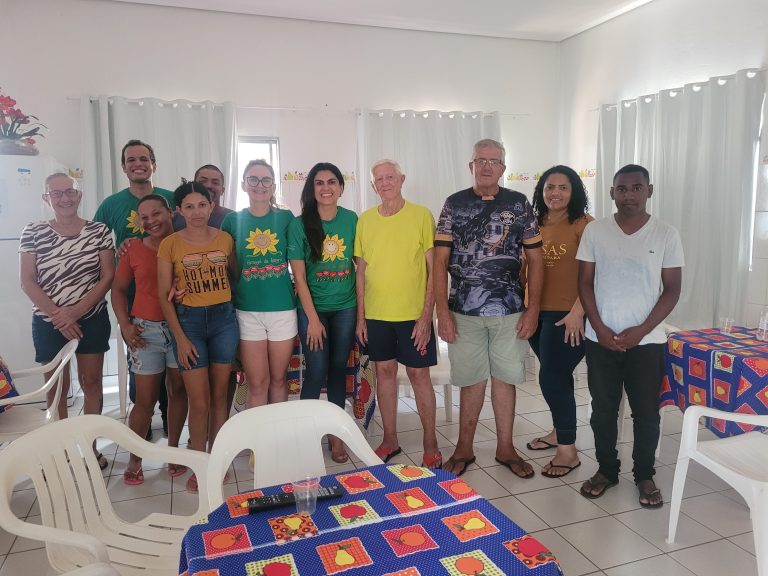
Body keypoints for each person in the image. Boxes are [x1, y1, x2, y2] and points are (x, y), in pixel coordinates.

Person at [577, 163, 683, 509]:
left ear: (649, 191)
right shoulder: (596, 232)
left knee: (646, 413)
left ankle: (644, 474)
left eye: (637, 188)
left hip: (647, 343)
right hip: (600, 340)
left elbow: (672, 290)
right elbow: (584, 283)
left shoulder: (666, 234)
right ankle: (606, 470)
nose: (629, 195)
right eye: (622, 189)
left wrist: (641, 330)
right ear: (612, 193)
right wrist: (599, 327)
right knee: (602, 411)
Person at [435, 139, 543, 478]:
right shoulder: (454, 204)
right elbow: (439, 262)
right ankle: (463, 448)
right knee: (470, 381)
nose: (486, 166)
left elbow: (537, 260)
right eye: (480, 160)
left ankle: (505, 448)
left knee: (505, 380)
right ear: (471, 166)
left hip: (510, 310)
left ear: (503, 168)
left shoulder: (519, 203)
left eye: (493, 161)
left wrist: (533, 309)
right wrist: (442, 312)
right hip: (463, 312)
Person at [19, 173, 115, 469]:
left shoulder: (99, 230)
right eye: (56, 193)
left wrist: (75, 311)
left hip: (92, 318)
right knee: (56, 386)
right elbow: (27, 280)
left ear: (79, 195)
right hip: (47, 321)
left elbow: (107, 276)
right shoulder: (32, 231)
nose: (64, 198)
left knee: (91, 383)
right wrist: (59, 316)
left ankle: (90, 448)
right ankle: (59, 450)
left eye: (70, 192)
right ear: (46, 198)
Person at [354, 159, 442, 468]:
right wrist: (361, 317)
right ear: (373, 185)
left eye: (390, 177)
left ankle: (430, 442)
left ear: (402, 179)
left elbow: (434, 269)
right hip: (377, 315)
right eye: (379, 179)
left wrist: (426, 316)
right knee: (384, 374)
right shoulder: (365, 220)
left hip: (413, 316)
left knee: (419, 376)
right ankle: (390, 439)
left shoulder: (421, 215)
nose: (385, 183)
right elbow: (360, 272)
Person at [157, 182, 239, 493]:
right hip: (189, 324)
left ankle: (216, 460)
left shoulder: (225, 239)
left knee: (220, 397)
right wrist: (180, 338)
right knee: (199, 401)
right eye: (189, 207)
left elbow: (233, 278)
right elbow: (164, 297)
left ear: (211, 206)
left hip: (224, 321)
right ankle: (198, 462)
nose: (196, 212)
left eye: (202, 205)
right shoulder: (170, 244)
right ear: (178, 210)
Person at [94, 139, 174, 437]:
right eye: (131, 160)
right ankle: (142, 431)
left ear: (153, 164)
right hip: (132, 301)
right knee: (141, 375)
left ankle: (170, 423)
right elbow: (97, 244)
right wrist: (121, 250)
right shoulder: (110, 204)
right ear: (123, 167)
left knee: (173, 379)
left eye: (143, 158)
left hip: (174, 301)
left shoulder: (170, 198)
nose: (138, 164)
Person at [112, 195, 188, 485]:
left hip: (183, 329)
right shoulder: (133, 248)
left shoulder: (186, 242)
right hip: (146, 333)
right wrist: (125, 324)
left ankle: (173, 452)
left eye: (156, 213)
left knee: (178, 391)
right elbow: (118, 290)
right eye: (144, 217)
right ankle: (135, 459)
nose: (151, 221)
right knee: (145, 400)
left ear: (171, 213)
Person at [526, 166, 593, 478]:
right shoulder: (534, 223)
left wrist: (579, 311)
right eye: (549, 187)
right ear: (541, 191)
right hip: (536, 312)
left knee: (551, 378)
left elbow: (598, 272)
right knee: (558, 376)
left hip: (569, 315)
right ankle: (558, 432)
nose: (555, 193)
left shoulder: (584, 224)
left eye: (563, 187)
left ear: (574, 191)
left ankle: (568, 451)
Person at [288, 162, 357, 463]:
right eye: (319, 183)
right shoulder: (299, 224)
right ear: (311, 189)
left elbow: (360, 265)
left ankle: (336, 436)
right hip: (312, 309)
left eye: (331, 182)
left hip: (346, 306)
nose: (326, 188)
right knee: (316, 371)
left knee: (338, 369)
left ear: (341, 187)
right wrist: (313, 320)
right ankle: (307, 436)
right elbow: (299, 278)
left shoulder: (351, 219)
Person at [221, 160, 296, 414]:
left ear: (273, 186)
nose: (259, 185)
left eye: (266, 180)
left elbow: (299, 260)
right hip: (247, 311)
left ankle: (277, 434)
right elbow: (222, 264)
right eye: (253, 179)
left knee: (278, 380)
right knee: (257, 383)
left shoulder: (286, 218)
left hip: (283, 309)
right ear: (244, 184)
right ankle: (257, 437)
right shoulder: (232, 221)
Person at [173, 164, 234, 230]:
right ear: (193, 185)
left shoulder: (234, 219)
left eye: (215, 182)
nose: (209, 186)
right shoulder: (174, 217)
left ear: (222, 190)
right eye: (203, 181)